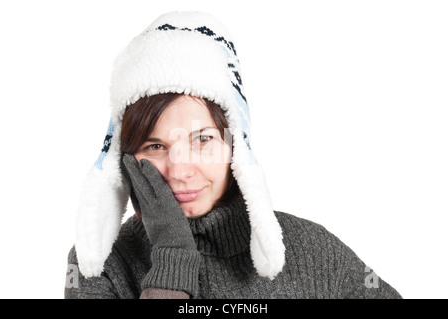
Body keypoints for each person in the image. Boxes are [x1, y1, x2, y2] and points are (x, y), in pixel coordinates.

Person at [65, 11, 402, 299]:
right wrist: (172, 257)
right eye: (155, 146)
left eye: (203, 139)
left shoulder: (311, 249)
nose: (180, 170)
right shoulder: (99, 265)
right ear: (124, 157)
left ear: (236, 146)